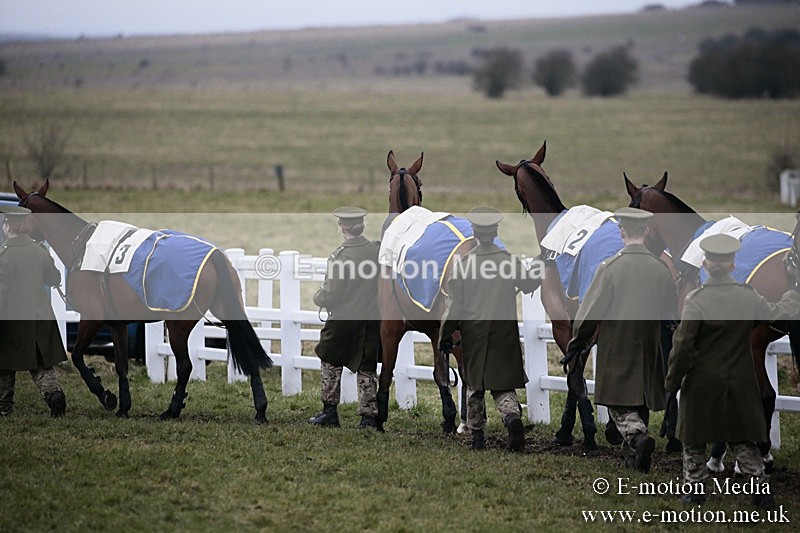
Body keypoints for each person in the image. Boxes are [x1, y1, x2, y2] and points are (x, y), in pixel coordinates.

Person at [666, 234, 800, 508]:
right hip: (740, 382)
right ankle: (760, 489)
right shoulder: (747, 297)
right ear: (732, 264)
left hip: (701, 384)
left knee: (693, 440)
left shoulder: (695, 301)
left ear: (704, 263)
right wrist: (793, 292)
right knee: (742, 439)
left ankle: (694, 488)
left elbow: (682, 347)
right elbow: (776, 313)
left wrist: (672, 381)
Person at [565, 207, 676, 473]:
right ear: (647, 231)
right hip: (650, 346)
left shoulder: (610, 268)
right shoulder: (661, 268)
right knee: (640, 400)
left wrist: (577, 343)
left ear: (621, 232)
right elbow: (670, 310)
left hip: (617, 345)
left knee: (619, 403)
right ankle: (633, 458)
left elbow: (589, 313)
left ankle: (638, 437)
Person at [439, 206, 539, 451]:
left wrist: (445, 337)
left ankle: (477, 438)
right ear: (495, 231)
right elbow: (528, 284)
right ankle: (511, 417)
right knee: (503, 385)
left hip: (474, 336)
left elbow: (454, 308)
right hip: (505, 335)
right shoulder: (509, 262)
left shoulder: (462, 265)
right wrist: (537, 268)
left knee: (474, 387)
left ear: (473, 232)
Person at [309, 207, 381, 429]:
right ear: (363, 227)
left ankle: (329, 412)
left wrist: (318, 297)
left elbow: (331, 293)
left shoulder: (340, 256)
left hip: (342, 320)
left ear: (342, 227)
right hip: (371, 320)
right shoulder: (376, 251)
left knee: (329, 359)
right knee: (367, 366)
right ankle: (368, 417)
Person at [0, 205, 67, 417]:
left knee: (4, 366)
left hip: (12, 321)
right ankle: (53, 395)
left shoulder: (3, 256)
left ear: (7, 226)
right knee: (41, 364)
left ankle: (4, 408)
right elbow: (54, 279)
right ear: (24, 226)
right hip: (39, 318)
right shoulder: (39, 250)